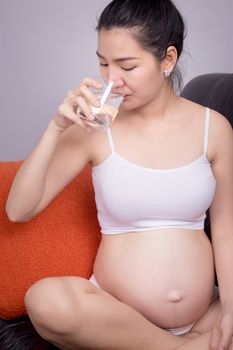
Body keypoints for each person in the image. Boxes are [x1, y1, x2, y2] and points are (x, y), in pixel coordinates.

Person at [6, 0, 233, 349]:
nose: (112, 80)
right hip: (116, 317)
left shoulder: (213, 128)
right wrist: (55, 127)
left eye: (127, 66)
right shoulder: (94, 128)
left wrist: (231, 308)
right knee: (45, 299)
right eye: (103, 63)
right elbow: (18, 210)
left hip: (205, 313)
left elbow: (226, 227)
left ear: (167, 60)